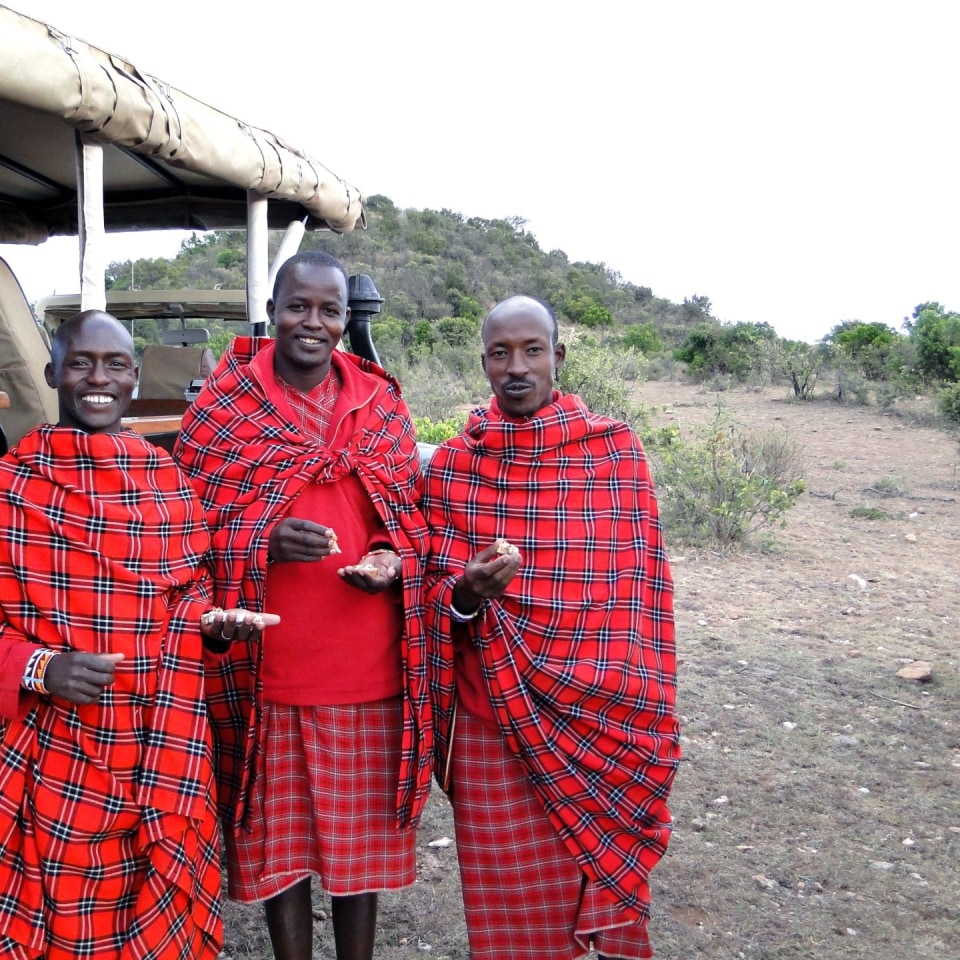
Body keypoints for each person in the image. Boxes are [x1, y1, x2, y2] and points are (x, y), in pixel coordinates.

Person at [174, 251, 432, 960]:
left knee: (358, 854)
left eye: (328, 311)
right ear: (272, 308)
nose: (311, 323)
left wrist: (387, 555)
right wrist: (262, 538)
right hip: (270, 671)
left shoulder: (379, 403)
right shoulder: (224, 407)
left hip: (367, 666)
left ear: (346, 321)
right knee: (279, 850)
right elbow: (187, 526)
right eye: (298, 307)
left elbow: (409, 511)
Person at [0, 311, 275, 960]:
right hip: (53, 758)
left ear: (134, 376)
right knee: (60, 928)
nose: (100, 378)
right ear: (52, 375)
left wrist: (213, 629)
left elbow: (188, 601)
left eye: (116, 365)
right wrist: (38, 667)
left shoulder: (167, 482)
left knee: (160, 925)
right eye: (81, 364)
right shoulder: (12, 491)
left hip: (160, 747)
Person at [422, 295, 681, 960]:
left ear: (557, 357)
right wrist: (466, 594)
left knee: (593, 868)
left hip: (602, 717)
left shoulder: (613, 453)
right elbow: (429, 593)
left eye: (532, 350)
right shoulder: (454, 467)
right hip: (492, 719)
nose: (516, 366)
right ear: (481, 362)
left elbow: (639, 593)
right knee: (508, 909)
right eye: (500, 353)